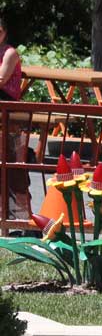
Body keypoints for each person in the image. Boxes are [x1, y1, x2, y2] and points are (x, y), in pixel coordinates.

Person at [0, 15, 30, 221]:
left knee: (14, 172)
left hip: (7, 104)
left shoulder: (9, 53)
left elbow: (1, 80)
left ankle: (20, 218)